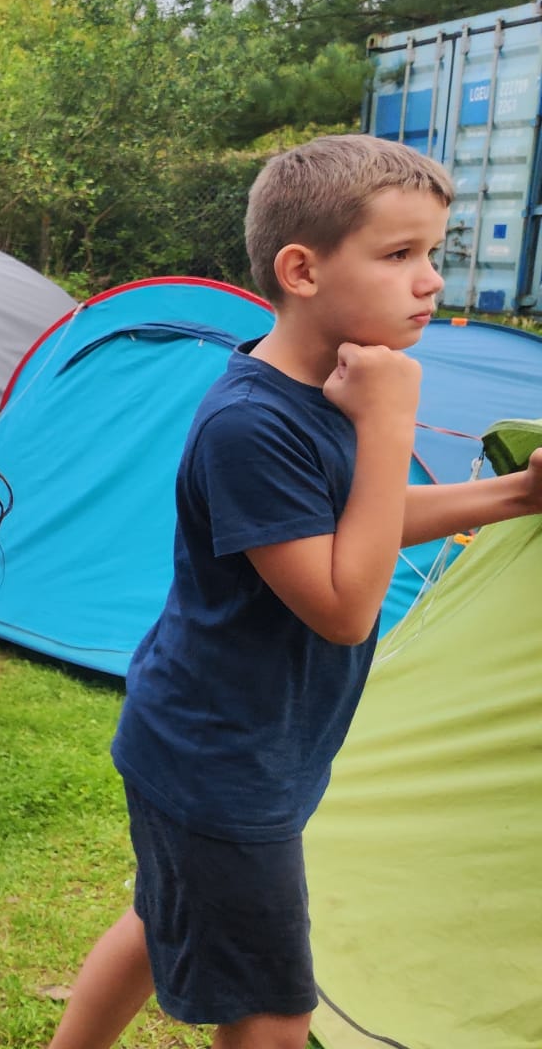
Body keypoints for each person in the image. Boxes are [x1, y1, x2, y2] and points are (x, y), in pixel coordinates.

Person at [48, 134, 542, 1049]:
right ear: (302, 270)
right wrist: (389, 422)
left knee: (161, 919)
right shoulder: (252, 423)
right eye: (399, 255)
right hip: (221, 761)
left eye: (434, 252)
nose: (431, 279)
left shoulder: (325, 394)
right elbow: (344, 605)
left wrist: (514, 495)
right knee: (275, 1012)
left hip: (241, 743)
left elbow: (360, 521)